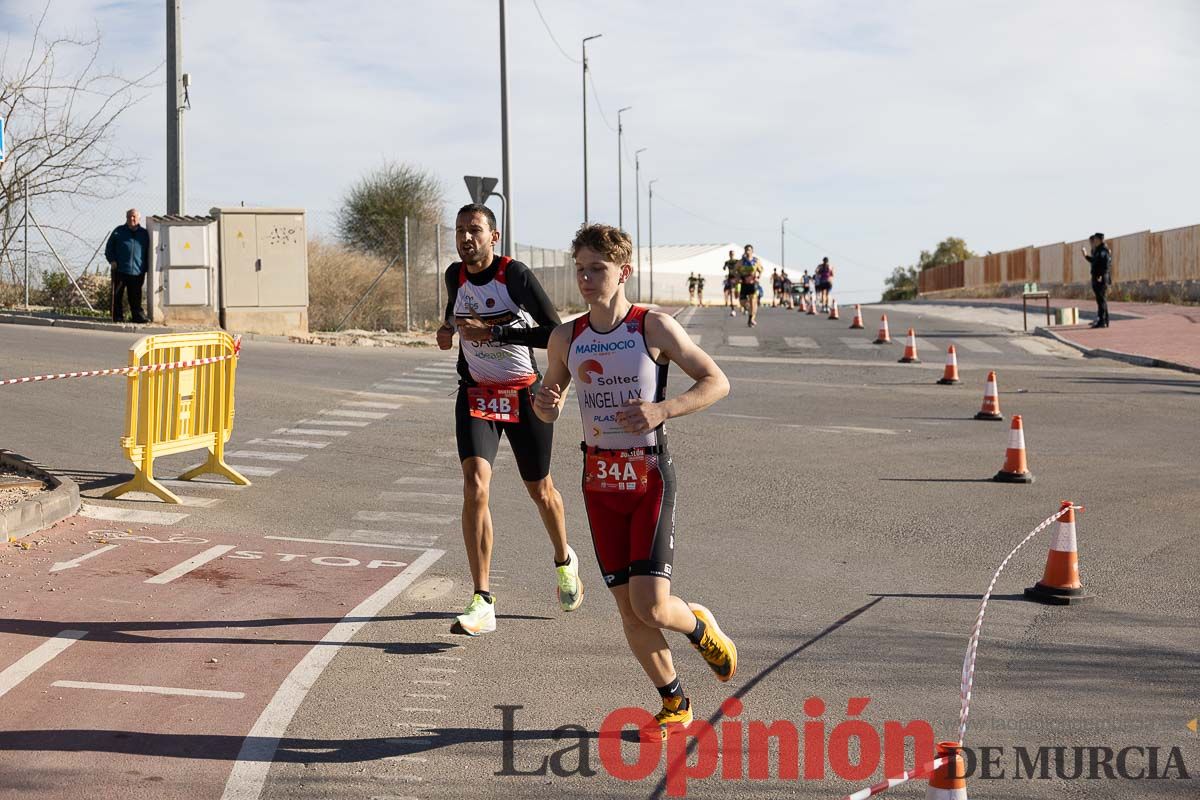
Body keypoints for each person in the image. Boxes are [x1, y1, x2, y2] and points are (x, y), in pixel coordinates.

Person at [534, 223, 737, 740]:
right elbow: (550, 398)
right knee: (629, 609)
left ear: (623, 272)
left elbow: (717, 381)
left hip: (647, 475)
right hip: (598, 481)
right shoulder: (567, 337)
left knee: (651, 604)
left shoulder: (654, 328)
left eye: (596, 269)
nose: (585, 278)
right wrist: (545, 402)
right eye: (579, 267)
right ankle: (675, 704)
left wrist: (662, 409)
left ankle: (696, 624)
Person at [436, 203, 583, 635]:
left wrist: (497, 332)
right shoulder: (454, 275)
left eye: (475, 230)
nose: (466, 238)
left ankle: (563, 560)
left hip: (523, 393)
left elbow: (555, 331)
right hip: (477, 395)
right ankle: (482, 598)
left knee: (541, 490)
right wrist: (448, 330)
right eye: (461, 230)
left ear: (493, 237)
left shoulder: (513, 276)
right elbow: (453, 309)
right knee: (474, 485)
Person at [105, 208, 150, 323]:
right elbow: (109, 248)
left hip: (137, 271)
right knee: (117, 295)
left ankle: (137, 317)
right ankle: (117, 317)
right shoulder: (118, 231)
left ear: (139, 218)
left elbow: (149, 252)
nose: (131, 219)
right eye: (129, 216)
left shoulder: (144, 234)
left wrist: (145, 268)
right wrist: (112, 260)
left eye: (134, 216)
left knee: (135, 296)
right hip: (120, 270)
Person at [1082, 233, 1111, 328]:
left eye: (1095, 239)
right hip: (1098, 276)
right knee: (1100, 300)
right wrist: (1085, 255)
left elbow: (1105, 265)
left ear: (1098, 240)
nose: (1093, 241)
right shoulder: (1098, 250)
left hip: (1101, 277)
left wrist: (1100, 275)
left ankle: (1102, 321)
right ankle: (1103, 320)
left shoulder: (1103, 250)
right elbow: (1095, 261)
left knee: (1101, 300)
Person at [736, 244, 762, 326]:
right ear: (744, 251)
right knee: (742, 302)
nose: (748, 251)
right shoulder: (741, 261)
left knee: (753, 302)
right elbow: (735, 270)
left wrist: (758, 277)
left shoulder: (756, 261)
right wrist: (738, 278)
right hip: (744, 283)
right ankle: (748, 310)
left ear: (752, 251)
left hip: (752, 283)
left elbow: (760, 270)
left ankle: (751, 319)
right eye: (746, 250)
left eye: (749, 250)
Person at [723, 250, 740, 316]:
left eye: (732, 254)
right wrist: (724, 267)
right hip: (730, 278)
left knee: (737, 294)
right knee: (731, 293)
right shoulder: (727, 262)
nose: (731, 255)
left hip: (737, 278)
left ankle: (742, 306)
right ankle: (733, 310)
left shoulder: (737, 261)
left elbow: (740, 268)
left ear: (734, 254)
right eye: (730, 254)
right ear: (729, 254)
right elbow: (724, 268)